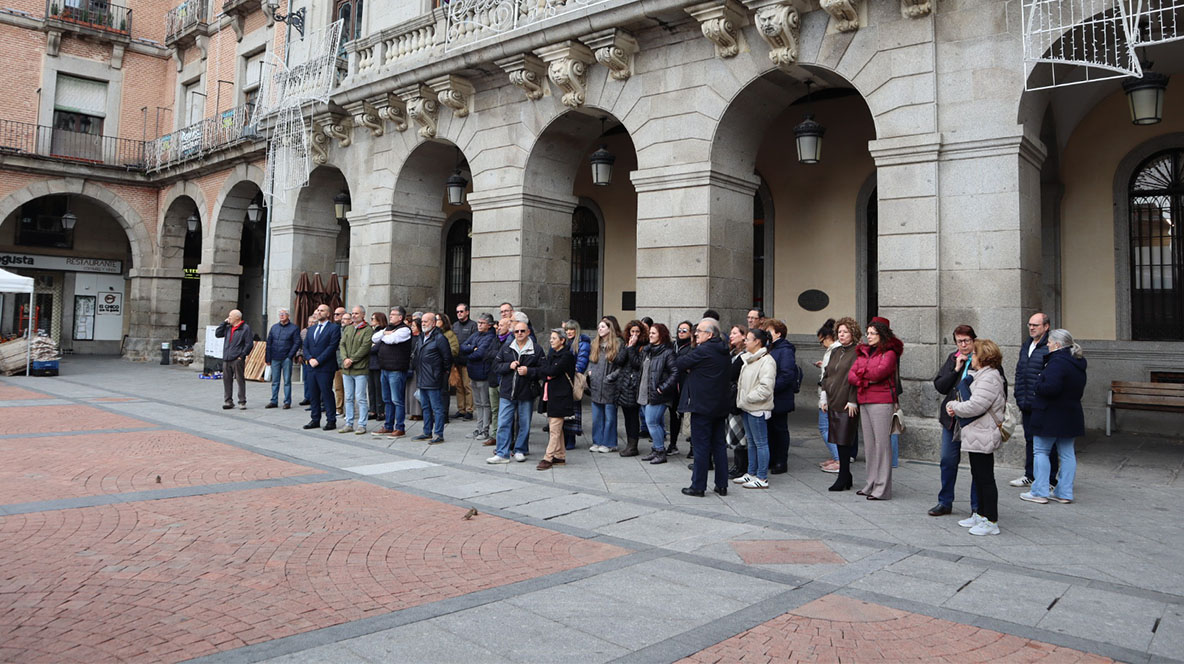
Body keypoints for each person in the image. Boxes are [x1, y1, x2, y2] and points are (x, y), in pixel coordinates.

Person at [947, 339, 1007, 536]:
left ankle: (991, 520)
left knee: (986, 478)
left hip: (984, 432)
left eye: (974, 354)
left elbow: (976, 405)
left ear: (983, 357)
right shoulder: (980, 375)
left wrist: (954, 407)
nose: (971, 357)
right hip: (976, 433)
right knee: (978, 475)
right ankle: (980, 514)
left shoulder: (989, 378)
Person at [1022, 329, 1086, 506]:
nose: (1048, 344)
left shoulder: (1057, 362)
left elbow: (1050, 388)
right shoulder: (1077, 362)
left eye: (1050, 342)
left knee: (1041, 451)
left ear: (1057, 344)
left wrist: (1037, 383)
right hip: (1071, 413)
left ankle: (1039, 491)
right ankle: (1064, 493)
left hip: (1049, 414)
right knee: (1067, 454)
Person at [929, 324, 980, 517]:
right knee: (947, 460)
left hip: (975, 418)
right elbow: (940, 386)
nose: (964, 345)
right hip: (952, 418)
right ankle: (945, 502)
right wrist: (956, 368)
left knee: (977, 464)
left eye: (967, 341)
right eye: (960, 342)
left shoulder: (982, 358)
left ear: (974, 340)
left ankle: (977, 505)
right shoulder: (953, 358)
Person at [678, 318, 732, 497]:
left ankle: (698, 486)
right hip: (719, 405)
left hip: (702, 405)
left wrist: (691, 369)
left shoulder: (704, 350)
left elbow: (681, 363)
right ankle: (722, 485)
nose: (695, 334)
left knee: (701, 447)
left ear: (709, 334)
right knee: (719, 446)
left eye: (699, 331)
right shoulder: (724, 350)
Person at [848, 320, 899, 500]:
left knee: (882, 445)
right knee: (869, 445)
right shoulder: (863, 352)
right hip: (865, 399)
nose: (868, 336)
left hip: (882, 401)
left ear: (882, 335)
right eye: (867, 333)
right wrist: (866, 378)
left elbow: (880, 373)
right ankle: (871, 483)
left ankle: (882, 488)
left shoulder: (890, 353)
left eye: (872, 333)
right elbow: (851, 375)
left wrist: (863, 375)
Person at [1012, 312, 1056, 488]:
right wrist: (1017, 394)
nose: (1031, 328)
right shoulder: (1027, 345)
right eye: (1029, 324)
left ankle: (1051, 479)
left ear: (1046, 327)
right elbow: (1020, 370)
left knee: (1046, 442)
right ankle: (1030, 474)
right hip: (1026, 401)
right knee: (1029, 439)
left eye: (1035, 325)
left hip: (1042, 403)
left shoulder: (1050, 346)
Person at [488, 318, 541, 463]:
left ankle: (520, 450)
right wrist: (509, 366)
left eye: (522, 331)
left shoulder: (536, 349)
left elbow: (543, 370)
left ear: (528, 332)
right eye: (516, 331)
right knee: (503, 423)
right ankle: (501, 453)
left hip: (526, 392)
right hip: (507, 391)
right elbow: (496, 366)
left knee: (524, 424)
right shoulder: (506, 347)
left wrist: (529, 371)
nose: (519, 333)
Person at [733, 327, 777, 489]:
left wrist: (748, 398)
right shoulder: (750, 358)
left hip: (757, 407)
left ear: (757, 342)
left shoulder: (767, 361)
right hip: (747, 407)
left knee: (760, 443)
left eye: (748, 339)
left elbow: (766, 388)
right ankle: (751, 473)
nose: (745, 342)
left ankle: (762, 476)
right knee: (751, 442)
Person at [821, 318, 861, 492]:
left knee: (845, 439)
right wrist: (823, 395)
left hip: (847, 401)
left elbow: (857, 377)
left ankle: (843, 475)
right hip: (833, 399)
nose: (841, 335)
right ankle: (846, 475)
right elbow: (828, 373)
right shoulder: (836, 351)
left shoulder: (858, 351)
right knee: (837, 438)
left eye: (845, 331)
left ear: (853, 333)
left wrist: (853, 399)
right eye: (839, 332)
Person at [535, 329, 577, 470]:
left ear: (562, 340)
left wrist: (547, 370)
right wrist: (547, 370)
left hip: (561, 397)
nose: (551, 340)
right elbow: (544, 369)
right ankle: (560, 455)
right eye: (551, 338)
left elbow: (551, 371)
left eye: (554, 338)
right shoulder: (553, 354)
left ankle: (548, 457)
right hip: (551, 395)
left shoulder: (566, 356)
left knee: (554, 429)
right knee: (556, 427)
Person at [639, 323, 678, 465]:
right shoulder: (648, 351)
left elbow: (675, 373)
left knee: (652, 422)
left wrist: (662, 388)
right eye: (650, 333)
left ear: (661, 335)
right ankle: (656, 449)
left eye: (653, 333)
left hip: (658, 395)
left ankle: (660, 451)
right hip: (646, 393)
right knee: (654, 423)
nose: (650, 335)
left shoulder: (667, 352)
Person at [763, 318, 797, 475]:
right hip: (770, 396)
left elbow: (787, 374)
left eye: (769, 332)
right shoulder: (770, 348)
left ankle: (781, 461)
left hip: (779, 397)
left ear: (778, 333)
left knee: (780, 429)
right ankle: (772, 458)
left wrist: (770, 388)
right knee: (770, 429)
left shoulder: (785, 350)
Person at [373, 306, 412, 438]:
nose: (390, 316)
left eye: (394, 314)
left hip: (396, 369)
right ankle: (388, 426)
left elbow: (392, 340)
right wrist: (385, 333)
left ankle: (400, 427)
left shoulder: (405, 330)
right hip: (384, 369)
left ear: (400, 317)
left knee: (397, 400)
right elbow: (374, 338)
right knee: (387, 399)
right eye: (390, 314)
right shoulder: (388, 328)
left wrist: (386, 335)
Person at [460, 313, 498, 445]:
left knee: (485, 403)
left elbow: (480, 353)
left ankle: (485, 429)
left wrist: (470, 351)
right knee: (478, 403)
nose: (479, 325)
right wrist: (471, 348)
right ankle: (479, 427)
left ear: (489, 325)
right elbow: (463, 346)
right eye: (478, 322)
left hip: (483, 373)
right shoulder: (476, 334)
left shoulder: (490, 337)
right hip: (473, 372)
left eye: (482, 323)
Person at [414, 312, 452, 444]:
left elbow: (447, 358)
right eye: (422, 321)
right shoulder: (421, 336)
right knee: (425, 407)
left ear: (434, 323)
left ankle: (438, 433)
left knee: (437, 408)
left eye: (426, 321)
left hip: (434, 378)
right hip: (422, 377)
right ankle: (427, 431)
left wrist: (440, 373)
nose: (423, 323)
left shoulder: (440, 338)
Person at [302, 304, 341, 431]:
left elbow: (332, 346)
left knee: (326, 393)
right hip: (311, 367)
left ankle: (331, 420)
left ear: (328, 314)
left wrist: (318, 360)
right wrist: (310, 359)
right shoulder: (312, 329)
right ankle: (315, 419)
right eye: (318, 310)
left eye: (322, 310)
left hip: (325, 367)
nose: (318, 312)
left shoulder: (334, 328)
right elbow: (305, 346)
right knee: (313, 394)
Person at [587, 317, 623, 453]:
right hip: (596, 384)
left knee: (610, 417)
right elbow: (591, 360)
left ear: (609, 328)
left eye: (602, 327)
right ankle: (597, 441)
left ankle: (609, 443)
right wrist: (590, 372)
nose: (599, 329)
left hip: (610, 385)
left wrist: (611, 377)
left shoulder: (618, 344)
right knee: (597, 417)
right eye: (598, 327)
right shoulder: (595, 343)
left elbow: (621, 366)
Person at [337, 305, 371, 434]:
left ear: (363, 315)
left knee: (361, 397)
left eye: (357, 313)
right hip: (347, 370)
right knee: (349, 397)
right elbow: (342, 344)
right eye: (353, 313)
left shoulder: (367, 330)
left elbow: (365, 347)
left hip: (360, 369)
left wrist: (352, 359)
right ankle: (349, 423)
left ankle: (362, 424)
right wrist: (345, 358)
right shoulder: (348, 328)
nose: (354, 315)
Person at [615, 320, 647, 457]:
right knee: (627, 417)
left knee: (633, 417)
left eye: (637, 332)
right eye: (632, 332)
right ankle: (630, 444)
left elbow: (637, 363)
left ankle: (633, 446)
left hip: (634, 385)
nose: (634, 334)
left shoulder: (643, 347)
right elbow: (619, 361)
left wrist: (632, 348)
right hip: (624, 384)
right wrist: (628, 347)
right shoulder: (626, 345)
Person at [815, 319, 840, 472]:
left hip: (829, 395)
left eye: (821, 341)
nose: (822, 344)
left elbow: (830, 376)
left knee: (825, 427)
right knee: (831, 428)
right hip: (830, 394)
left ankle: (838, 459)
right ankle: (836, 456)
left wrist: (825, 397)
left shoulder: (834, 350)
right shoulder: (836, 350)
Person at [215, 309, 253, 410]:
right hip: (227, 358)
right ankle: (228, 401)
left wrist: (242, 356)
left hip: (237, 358)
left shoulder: (245, 328)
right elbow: (217, 334)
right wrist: (224, 323)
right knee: (226, 380)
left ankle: (242, 401)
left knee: (240, 380)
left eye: (230, 316)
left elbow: (249, 344)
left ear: (237, 317)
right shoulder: (228, 327)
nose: (229, 317)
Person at [562, 320, 591, 451]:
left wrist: (567, 371)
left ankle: (571, 438)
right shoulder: (564, 342)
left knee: (573, 410)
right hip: (562, 379)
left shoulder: (582, 344)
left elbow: (581, 364)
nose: (569, 332)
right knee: (563, 410)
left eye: (572, 329)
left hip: (573, 380)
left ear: (576, 330)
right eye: (567, 329)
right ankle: (564, 437)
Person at [264, 307, 300, 409]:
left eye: (283, 314)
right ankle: (274, 400)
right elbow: (269, 343)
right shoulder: (274, 327)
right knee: (275, 381)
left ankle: (287, 401)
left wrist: (290, 355)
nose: (281, 316)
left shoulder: (294, 328)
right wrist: (268, 358)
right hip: (275, 357)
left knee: (287, 381)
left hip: (286, 358)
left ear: (288, 316)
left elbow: (297, 342)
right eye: (280, 314)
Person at [668, 321, 695, 456]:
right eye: (679, 330)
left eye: (685, 330)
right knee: (674, 416)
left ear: (691, 333)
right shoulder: (673, 345)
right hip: (674, 385)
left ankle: (692, 446)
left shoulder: (692, 347)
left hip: (687, 385)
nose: (681, 332)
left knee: (689, 416)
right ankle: (673, 444)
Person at [452, 303, 478, 421]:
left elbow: (473, 343)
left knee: (468, 386)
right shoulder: (455, 325)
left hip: (467, 361)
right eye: (457, 312)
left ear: (467, 312)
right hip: (456, 360)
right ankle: (461, 409)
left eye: (461, 311)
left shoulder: (473, 325)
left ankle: (469, 410)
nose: (459, 314)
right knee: (458, 386)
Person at [367, 311, 387, 423]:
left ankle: (380, 411)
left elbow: (374, 348)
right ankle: (373, 410)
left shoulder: (383, 332)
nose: (372, 321)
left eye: (373, 319)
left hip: (378, 363)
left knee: (379, 389)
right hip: (370, 363)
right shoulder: (373, 331)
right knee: (371, 388)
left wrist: (370, 347)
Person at [406, 314, 423, 421]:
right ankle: (411, 411)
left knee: (416, 389)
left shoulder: (420, 338)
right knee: (409, 390)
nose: (411, 328)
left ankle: (418, 412)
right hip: (409, 366)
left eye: (413, 326)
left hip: (417, 367)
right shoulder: (410, 337)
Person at [332, 306, 346, 417]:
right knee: (337, 387)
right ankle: (339, 408)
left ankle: (347, 409)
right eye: (335, 314)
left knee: (348, 388)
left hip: (345, 361)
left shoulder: (347, 329)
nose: (335, 316)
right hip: (335, 362)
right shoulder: (333, 327)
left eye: (338, 314)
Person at [299, 314, 316, 407]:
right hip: (306, 359)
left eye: (313, 322)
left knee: (314, 380)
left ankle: (314, 398)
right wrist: (299, 355)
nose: (311, 323)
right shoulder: (303, 332)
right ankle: (307, 397)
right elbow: (300, 345)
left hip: (314, 360)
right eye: (310, 322)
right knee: (306, 379)